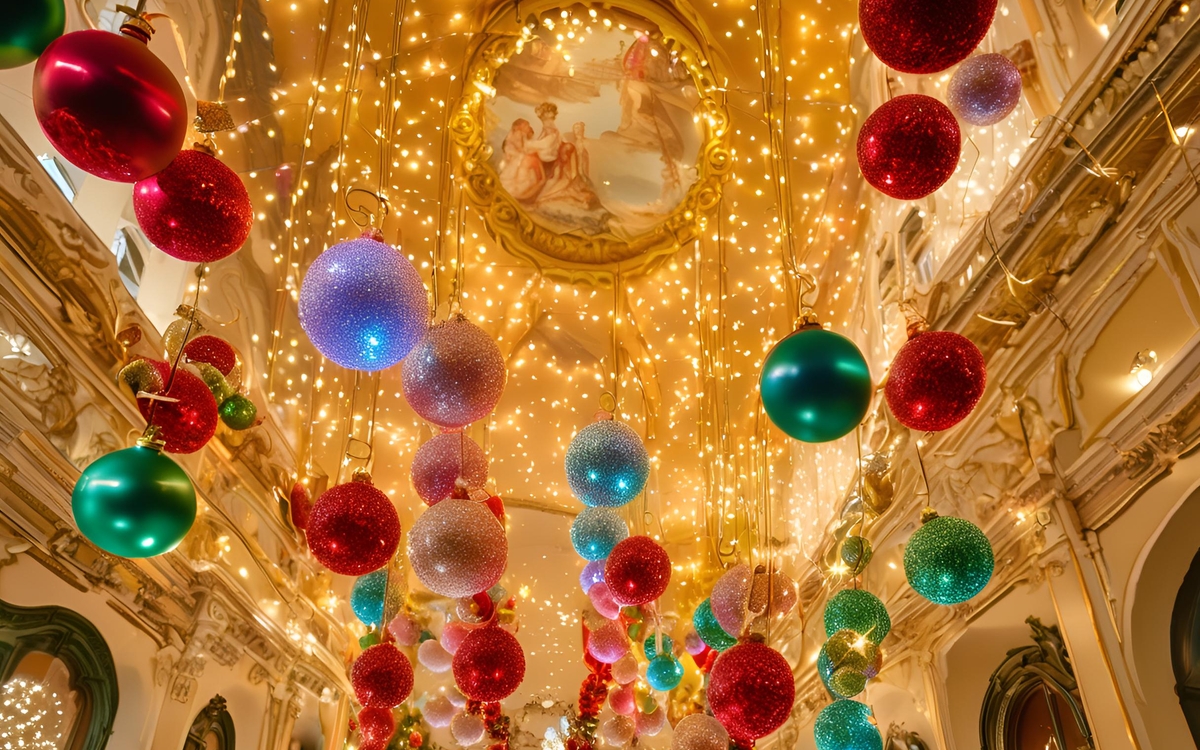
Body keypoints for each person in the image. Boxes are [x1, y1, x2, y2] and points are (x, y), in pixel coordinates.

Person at [497, 118, 544, 202]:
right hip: (514, 154)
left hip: (516, 154)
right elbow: (519, 146)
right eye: (526, 125)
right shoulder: (518, 133)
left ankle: (517, 187)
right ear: (519, 126)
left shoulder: (521, 135)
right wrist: (528, 151)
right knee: (514, 170)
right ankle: (511, 187)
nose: (528, 127)